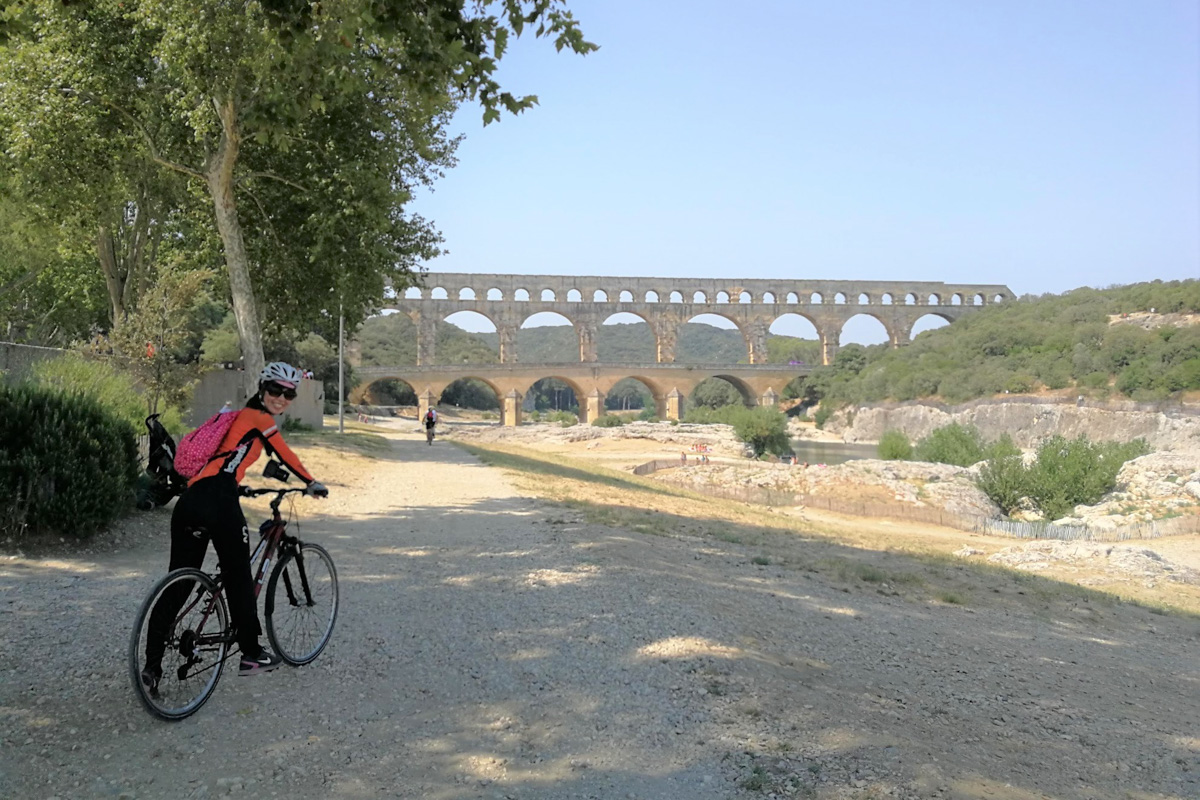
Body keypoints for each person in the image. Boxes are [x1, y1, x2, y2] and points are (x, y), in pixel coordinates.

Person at [142, 362, 328, 689]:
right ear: (262, 387)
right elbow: (285, 456)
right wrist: (311, 483)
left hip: (189, 502)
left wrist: (238, 484)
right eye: (275, 390)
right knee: (238, 575)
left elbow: (223, 464)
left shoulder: (232, 418)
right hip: (218, 503)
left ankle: (151, 667)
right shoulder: (259, 418)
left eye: (289, 393)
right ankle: (252, 653)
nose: (281, 398)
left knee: (178, 584)